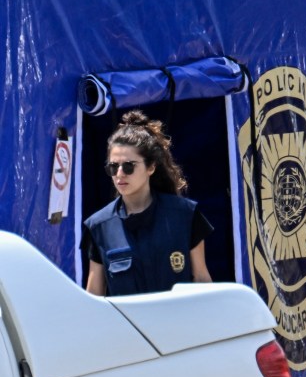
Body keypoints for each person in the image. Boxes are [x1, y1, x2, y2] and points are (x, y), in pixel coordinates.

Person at [82, 110, 212, 296]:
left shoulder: (186, 215)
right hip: (126, 325)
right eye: (113, 167)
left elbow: (201, 279)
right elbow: (94, 293)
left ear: (151, 167)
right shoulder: (98, 226)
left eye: (128, 166)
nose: (119, 174)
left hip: (179, 321)